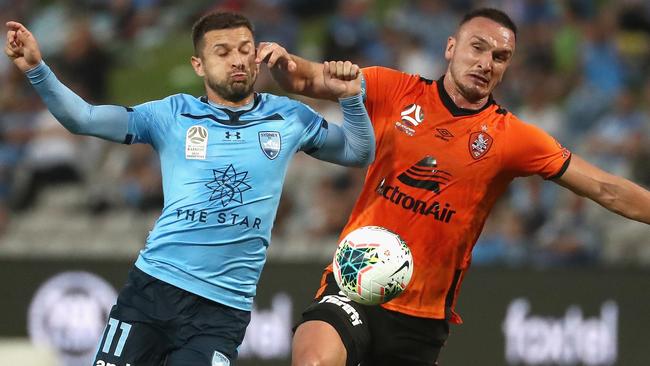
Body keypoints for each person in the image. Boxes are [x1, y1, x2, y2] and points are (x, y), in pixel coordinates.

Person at [257, 7, 650, 366]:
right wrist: (280, 61)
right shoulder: (393, 89)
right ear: (450, 47)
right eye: (477, 48)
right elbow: (303, 77)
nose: (485, 63)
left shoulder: (512, 138)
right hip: (353, 284)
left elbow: (604, 187)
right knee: (313, 360)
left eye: (499, 58)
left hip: (422, 316)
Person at [4, 12, 375, 366]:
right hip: (153, 290)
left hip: (222, 310)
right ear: (198, 65)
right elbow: (82, 118)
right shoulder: (171, 114)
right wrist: (37, 69)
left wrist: (350, 96)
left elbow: (359, 153)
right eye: (223, 51)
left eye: (246, 49)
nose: (238, 60)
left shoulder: (288, 117)